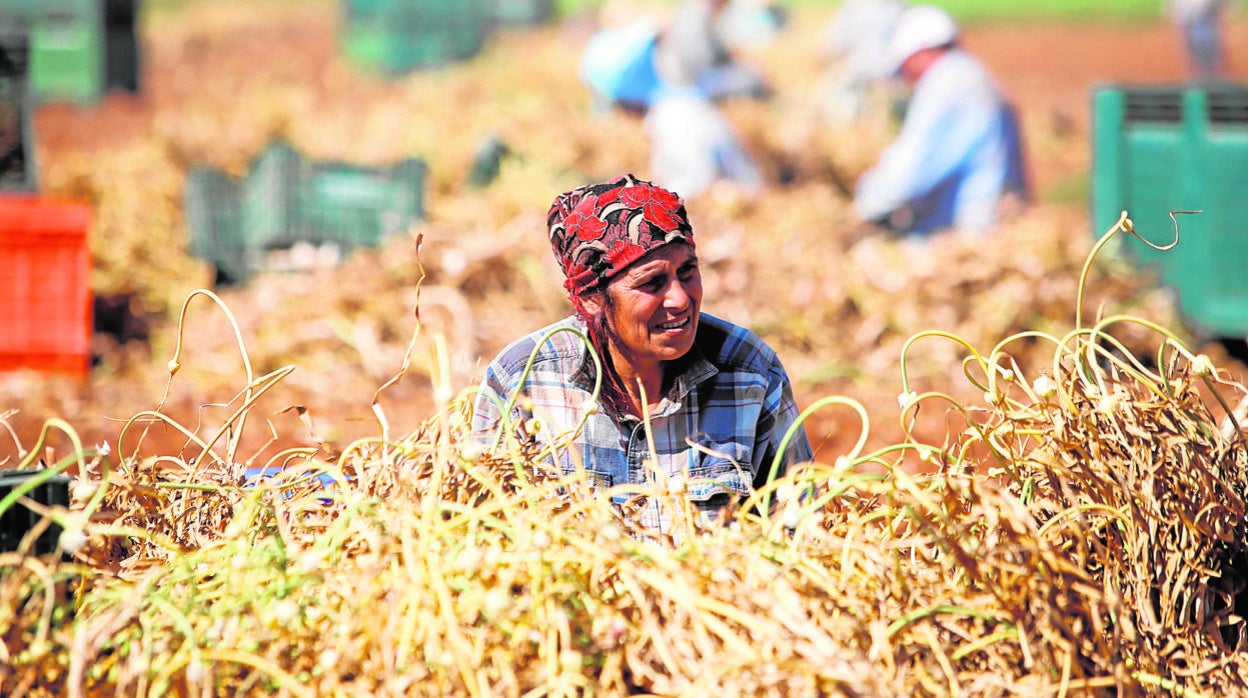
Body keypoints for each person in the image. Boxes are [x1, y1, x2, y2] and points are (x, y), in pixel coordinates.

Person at [471, 174, 813, 532]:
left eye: (687, 271)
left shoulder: (750, 373)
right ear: (591, 299)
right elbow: (480, 536)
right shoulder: (525, 381)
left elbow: (801, 532)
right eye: (652, 283)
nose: (680, 299)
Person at [853, 4, 1028, 238]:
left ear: (919, 53)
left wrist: (868, 201)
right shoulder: (971, 74)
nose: (906, 77)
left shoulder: (948, 86)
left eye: (904, 66)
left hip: (970, 229)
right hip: (994, 220)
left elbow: (910, 172)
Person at [1165, 0, 1228, 80]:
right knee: (1197, 51)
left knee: (1206, 49)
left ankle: (1210, 74)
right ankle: (1206, 75)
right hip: (1192, 19)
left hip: (1201, 19)